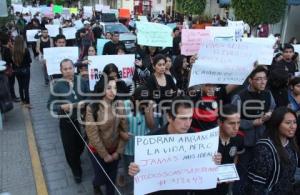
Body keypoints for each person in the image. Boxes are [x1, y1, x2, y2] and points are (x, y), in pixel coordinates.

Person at [128, 96, 222, 195]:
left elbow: (203, 164)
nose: (188, 123)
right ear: (169, 117)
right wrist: (134, 169)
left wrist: (213, 160)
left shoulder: (195, 138)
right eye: (183, 118)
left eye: (190, 118)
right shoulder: (151, 140)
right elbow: (138, 170)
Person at [231, 66, 276, 194]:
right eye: (258, 79)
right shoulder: (239, 97)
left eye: (265, 79)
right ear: (250, 80)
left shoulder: (268, 94)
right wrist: (252, 123)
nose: (263, 82)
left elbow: (273, 108)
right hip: (245, 143)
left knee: (259, 173)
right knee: (242, 173)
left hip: (263, 141)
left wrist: (270, 114)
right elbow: (232, 121)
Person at [47, 59, 89, 184]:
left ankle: (77, 157)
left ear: (74, 68)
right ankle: (76, 171)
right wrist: (60, 107)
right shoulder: (57, 85)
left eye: (70, 68)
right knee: (70, 149)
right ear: (61, 71)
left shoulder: (81, 80)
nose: (68, 71)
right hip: (67, 122)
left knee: (81, 144)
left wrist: (84, 102)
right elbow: (50, 105)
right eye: (65, 69)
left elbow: (90, 96)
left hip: (83, 120)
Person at [85, 76, 128, 195]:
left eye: (114, 88)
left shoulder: (120, 104)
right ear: (101, 89)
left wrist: (118, 152)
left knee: (111, 179)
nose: (112, 91)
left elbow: (124, 130)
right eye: (108, 88)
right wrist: (104, 155)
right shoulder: (92, 108)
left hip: (114, 150)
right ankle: (95, 184)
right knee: (101, 177)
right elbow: (93, 135)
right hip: (97, 151)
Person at [242, 107, 299, 194]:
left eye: (294, 122)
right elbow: (255, 185)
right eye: (288, 123)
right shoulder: (264, 148)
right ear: (276, 124)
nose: (293, 126)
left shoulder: (291, 145)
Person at [122, 86, 155, 195]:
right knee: (131, 172)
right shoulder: (124, 105)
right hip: (129, 148)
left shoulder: (149, 106)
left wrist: (147, 112)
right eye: (140, 100)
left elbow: (152, 127)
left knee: (141, 171)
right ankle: (132, 188)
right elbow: (118, 125)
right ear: (133, 97)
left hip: (142, 148)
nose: (142, 102)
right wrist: (123, 134)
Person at [145, 54, 177, 129]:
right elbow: (152, 97)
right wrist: (168, 94)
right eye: (159, 65)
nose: (162, 67)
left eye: (163, 64)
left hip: (168, 111)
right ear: (154, 66)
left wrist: (163, 95)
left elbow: (175, 92)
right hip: (156, 112)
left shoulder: (169, 77)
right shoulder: (150, 79)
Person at [12, 36, 32, 108]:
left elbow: (12, 62)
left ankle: (22, 101)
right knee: (26, 87)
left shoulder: (13, 51)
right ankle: (28, 103)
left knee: (20, 86)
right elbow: (30, 60)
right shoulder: (25, 50)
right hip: (25, 70)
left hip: (17, 71)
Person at [0, 34, 20, 102]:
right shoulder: (7, 49)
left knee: (9, 84)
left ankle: (10, 97)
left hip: (5, 68)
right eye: (10, 40)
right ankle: (13, 97)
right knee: (11, 83)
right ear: (8, 41)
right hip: (9, 69)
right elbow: (10, 60)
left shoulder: (2, 48)